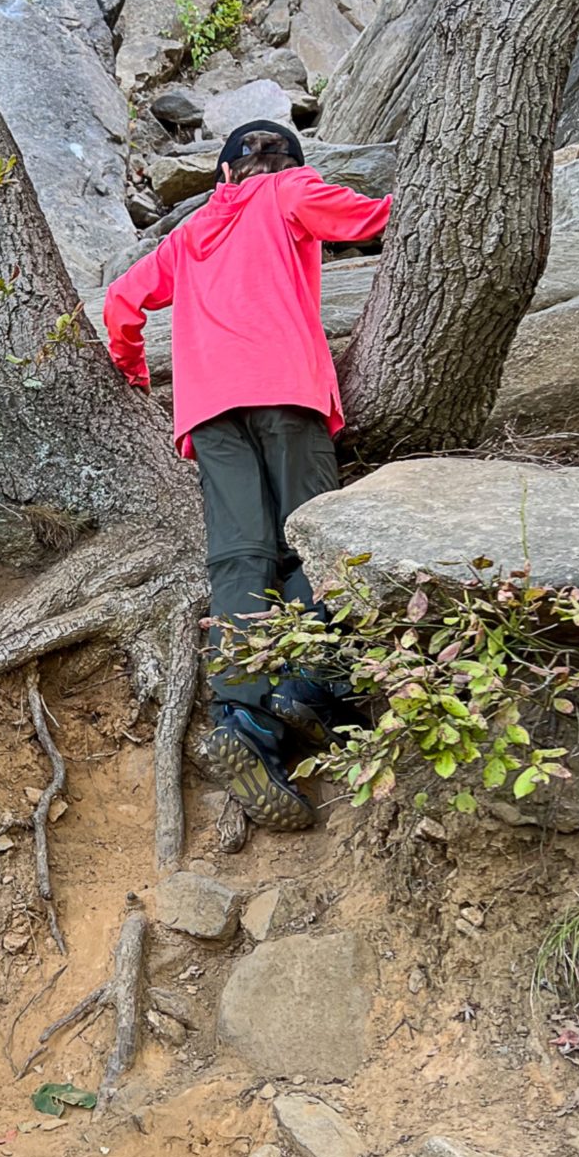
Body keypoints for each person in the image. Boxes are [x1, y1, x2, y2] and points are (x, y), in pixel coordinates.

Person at [103, 119, 390, 831]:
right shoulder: (291, 190)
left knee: (241, 557)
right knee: (315, 543)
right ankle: (311, 686)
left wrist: (136, 369)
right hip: (287, 393)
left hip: (209, 414)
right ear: (288, 164)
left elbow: (120, 304)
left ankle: (243, 724)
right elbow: (369, 219)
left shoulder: (190, 234)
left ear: (223, 176)